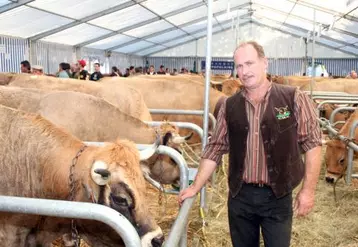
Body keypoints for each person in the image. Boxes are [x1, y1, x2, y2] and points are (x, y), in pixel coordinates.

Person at [178, 41, 322, 247]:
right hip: (240, 197)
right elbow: (215, 148)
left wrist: (308, 191)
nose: (244, 71)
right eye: (239, 66)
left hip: (278, 195)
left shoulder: (293, 98)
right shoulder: (229, 105)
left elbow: (313, 143)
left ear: (265, 63)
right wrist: (195, 186)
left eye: (249, 63)